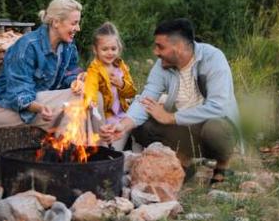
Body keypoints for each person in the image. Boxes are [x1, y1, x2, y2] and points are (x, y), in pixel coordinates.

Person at [100, 18, 240, 184]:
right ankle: (183, 159)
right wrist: (122, 126)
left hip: (216, 124)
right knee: (143, 128)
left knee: (214, 129)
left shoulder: (213, 59)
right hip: (185, 129)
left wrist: (171, 118)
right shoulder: (163, 65)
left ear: (179, 47)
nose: (155, 52)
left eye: (160, 46)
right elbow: (146, 99)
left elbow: (218, 107)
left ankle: (222, 164)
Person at [0, 0, 87, 133]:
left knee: (90, 94)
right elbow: (18, 94)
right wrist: (39, 109)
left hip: (39, 98)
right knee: (72, 110)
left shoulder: (68, 46)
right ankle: (77, 152)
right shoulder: (27, 46)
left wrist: (78, 80)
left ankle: (104, 150)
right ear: (56, 22)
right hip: (7, 109)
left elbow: (70, 73)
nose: (78, 28)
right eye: (74, 23)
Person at [82, 22, 137, 150]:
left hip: (122, 111)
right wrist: (91, 100)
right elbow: (90, 86)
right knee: (112, 136)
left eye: (113, 49)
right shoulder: (95, 69)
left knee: (135, 123)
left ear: (119, 48)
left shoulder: (120, 67)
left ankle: (134, 149)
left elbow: (131, 92)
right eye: (104, 49)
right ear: (96, 50)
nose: (110, 53)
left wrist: (122, 84)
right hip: (108, 115)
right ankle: (113, 150)